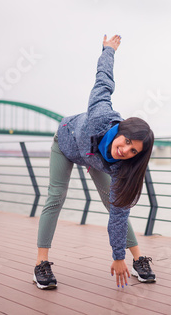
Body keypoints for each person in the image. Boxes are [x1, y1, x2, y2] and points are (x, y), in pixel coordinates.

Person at [33, 34, 156, 290]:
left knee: (115, 207)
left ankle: (137, 259)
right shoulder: (100, 115)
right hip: (66, 144)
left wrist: (118, 256)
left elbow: (120, 215)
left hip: (94, 161)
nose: (125, 151)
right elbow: (104, 79)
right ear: (121, 130)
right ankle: (41, 263)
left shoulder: (122, 166)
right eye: (126, 142)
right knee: (55, 197)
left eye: (133, 151)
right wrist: (108, 50)